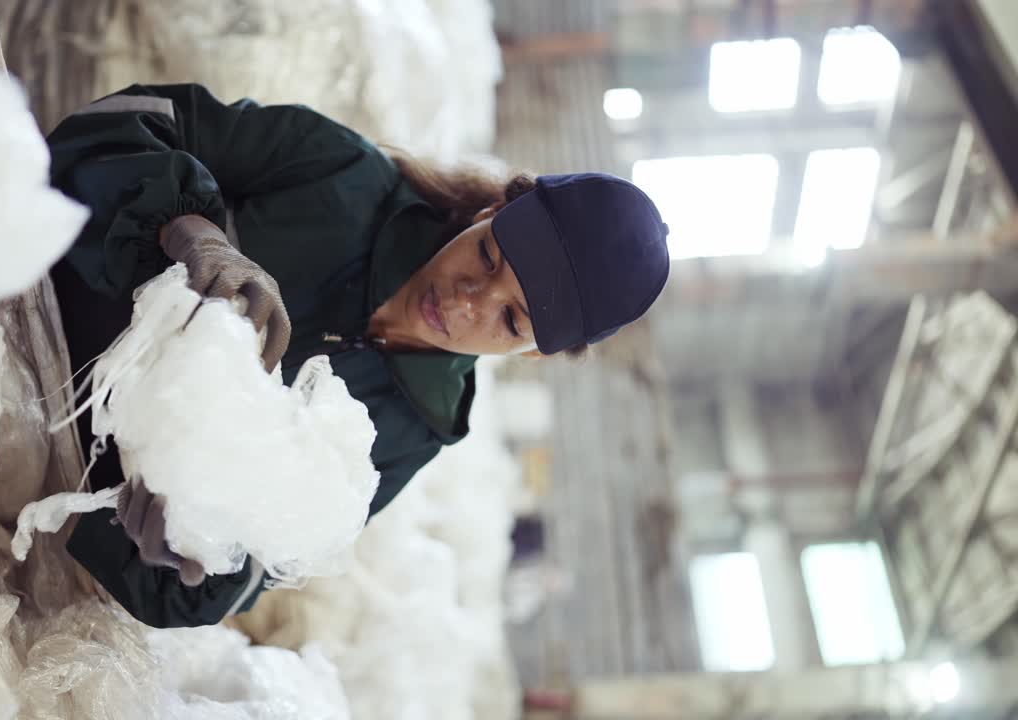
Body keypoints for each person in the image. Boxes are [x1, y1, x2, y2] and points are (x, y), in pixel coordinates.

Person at [46, 83, 670, 628]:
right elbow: (123, 118)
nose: (465, 302)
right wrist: (185, 226)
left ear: (534, 355)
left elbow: (237, 577)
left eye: (510, 319)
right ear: (491, 210)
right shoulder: (345, 177)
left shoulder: (411, 429)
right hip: (10, 299)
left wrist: (178, 549)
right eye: (486, 255)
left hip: (36, 462)